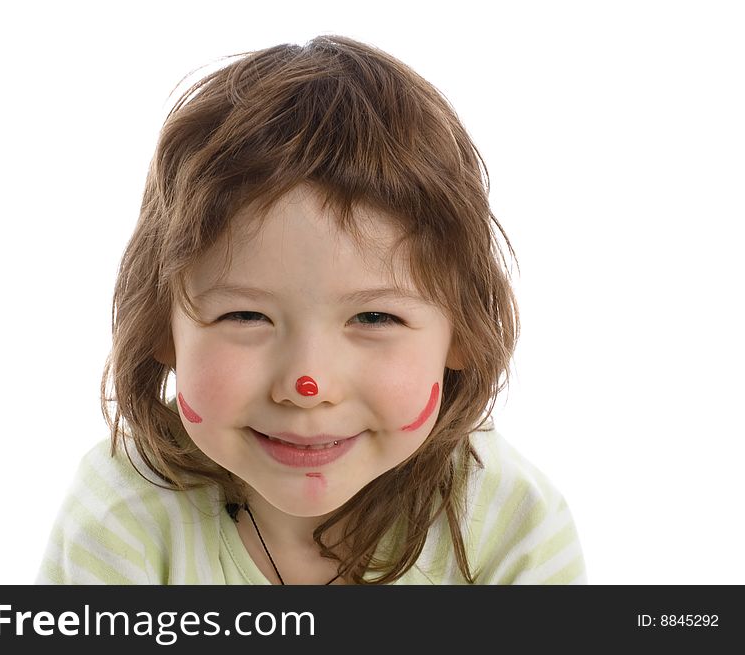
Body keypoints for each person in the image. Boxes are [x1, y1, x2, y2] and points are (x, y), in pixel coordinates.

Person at [36, 34, 586, 585]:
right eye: (246, 317)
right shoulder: (122, 516)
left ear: (462, 333)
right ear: (162, 327)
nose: (308, 382)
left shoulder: (508, 522)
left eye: (374, 319)